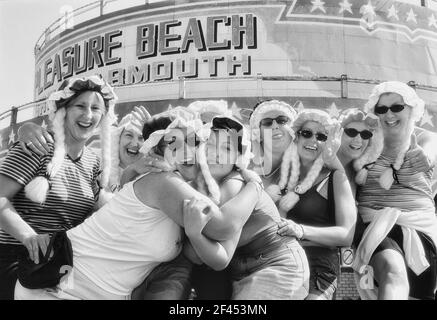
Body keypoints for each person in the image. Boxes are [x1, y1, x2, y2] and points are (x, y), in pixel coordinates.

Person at [13, 109, 262, 299]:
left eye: (194, 142)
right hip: (57, 287)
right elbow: (222, 227)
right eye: (173, 144)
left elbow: (203, 254)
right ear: (158, 152)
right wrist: (253, 184)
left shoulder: (185, 189)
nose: (186, 150)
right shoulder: (164, 182)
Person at [0, 75, 117, 300]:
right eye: (80, 106)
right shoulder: (37, 145)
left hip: (60, 264)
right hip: (17, 261)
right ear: (62, 110)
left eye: (95, 108)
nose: (88, 115)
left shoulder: (93, 162)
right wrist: (30, 237)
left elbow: (94, 210)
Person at [183, 115, 310, 299]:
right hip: (245, 272)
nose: (216, 153)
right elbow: (196, 255)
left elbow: (218, 257)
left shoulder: (235, 183)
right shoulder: (203, 186)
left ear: (238, 157)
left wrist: (194, 234)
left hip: (276, 265)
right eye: (210, 145)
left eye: (227, 148)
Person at [353, 81, 437, 300]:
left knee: (421, 293)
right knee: (393, 271)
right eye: (382, 109)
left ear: (412, 109)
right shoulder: (365, 141)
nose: (389, 114)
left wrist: (419, 155)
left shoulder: (425, 138)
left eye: (397, 107)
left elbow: (427, 157)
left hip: (420, 227)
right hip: (377, 225)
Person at [275, 109, 357, 300]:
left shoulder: (335, 177)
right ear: (296, 137)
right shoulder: (283, 178)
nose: (313, 140)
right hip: (282, 262)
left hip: (319, 265)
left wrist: (300, 231)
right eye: (307, 133)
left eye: (321, 136)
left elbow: (346, 235)